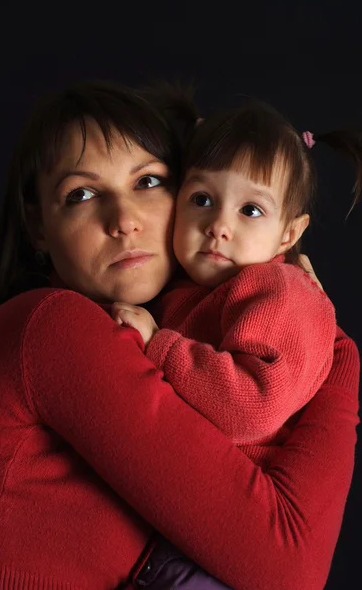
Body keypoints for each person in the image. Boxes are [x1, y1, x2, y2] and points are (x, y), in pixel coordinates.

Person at [0, 81, 359, 590]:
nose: (124, 220)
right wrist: (339, 350)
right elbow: (287, 568)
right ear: (38, 227)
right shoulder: (53, 327)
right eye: (81, 194)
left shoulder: (162, 327)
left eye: (148, 182)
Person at [112, 102, 362, 587]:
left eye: (250, 210)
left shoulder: (278, 291)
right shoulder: (186, 288)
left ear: (289, 233)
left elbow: (251, 405)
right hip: (181, 524)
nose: (218, 225)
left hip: (227, 546)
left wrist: (158, 345)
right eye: (202, 198)